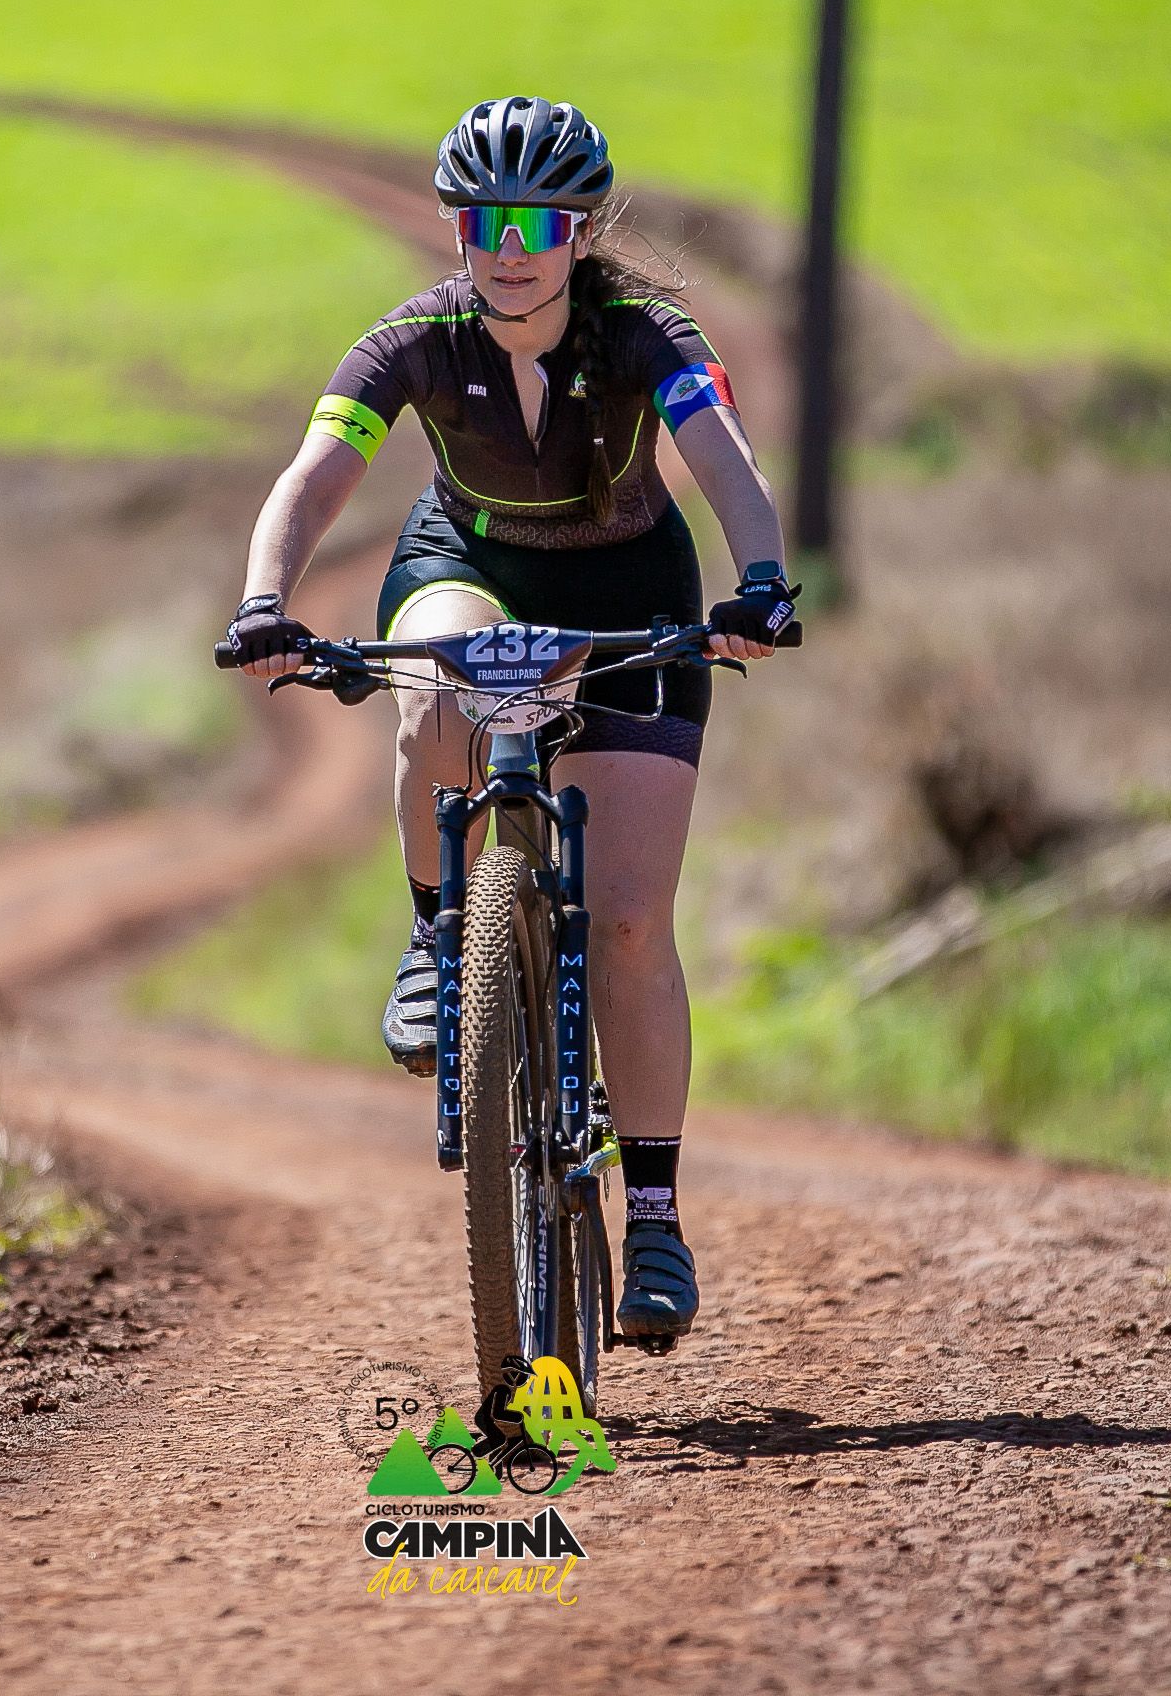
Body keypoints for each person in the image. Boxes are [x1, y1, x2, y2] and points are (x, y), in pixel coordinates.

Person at [215, 96, 799, 1345]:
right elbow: (314, 476)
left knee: (631, 921)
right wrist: (265, 600)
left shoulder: (646, 332)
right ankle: (440, 938)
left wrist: (761, 583)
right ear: (457, 230)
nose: (511, 247)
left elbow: (726, 460)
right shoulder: (412, 340)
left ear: (581, 231)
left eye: (538, 222)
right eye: (486, 222)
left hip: (631, 585)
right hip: (468, 564)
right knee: (430, 693)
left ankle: (653, 1217)